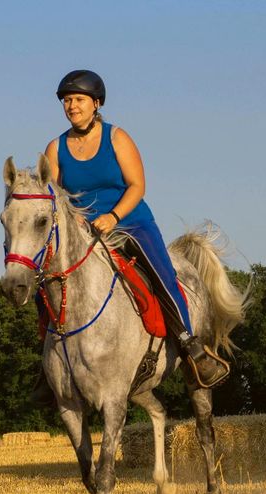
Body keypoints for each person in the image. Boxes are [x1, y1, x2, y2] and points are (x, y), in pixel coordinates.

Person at [42, 69, 230, 390]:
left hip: (128, 222)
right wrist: (70, 218)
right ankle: (47, 368)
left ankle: (190, 345)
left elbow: (137, 185)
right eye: (67, 100)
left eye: (79, 100)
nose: (72, 106)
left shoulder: (117, 138)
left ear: (96, 103)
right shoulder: (55, 149)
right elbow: (52, 198)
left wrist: (113, 217)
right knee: (43, 279)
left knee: (160, 274)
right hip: (82, 233)